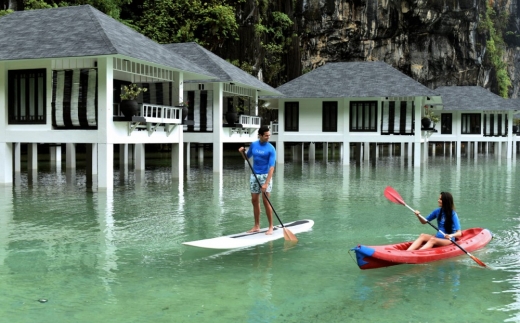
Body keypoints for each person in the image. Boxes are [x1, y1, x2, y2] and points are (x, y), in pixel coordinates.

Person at [238, 126, 276, 235]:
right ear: (260, 135)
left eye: (269, 135)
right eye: (266, 135)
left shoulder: (271, 148)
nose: (268, 137)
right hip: (254, 176)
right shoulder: (254, 144)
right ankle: (256, 226)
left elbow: (272, 167)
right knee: (254, 200)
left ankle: (270, 227)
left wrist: (266, 183)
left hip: (265, 176)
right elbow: (247, 158)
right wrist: (242, 152)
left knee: (266, 201)